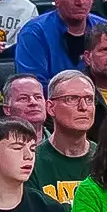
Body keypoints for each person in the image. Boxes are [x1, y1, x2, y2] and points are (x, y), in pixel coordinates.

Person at [32, 70, 96, 203]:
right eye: (72, 99)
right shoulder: (31, 162)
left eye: (89, 99)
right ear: (50, 108)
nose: (83, 107)